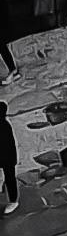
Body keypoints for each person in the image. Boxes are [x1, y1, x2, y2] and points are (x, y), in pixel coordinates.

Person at [0, 94, 17, 223]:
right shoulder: (5, 124)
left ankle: (13, 201)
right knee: (8, 178)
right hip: (6, 157)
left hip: (6, 157)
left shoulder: (4, 127)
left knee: (10, 178)